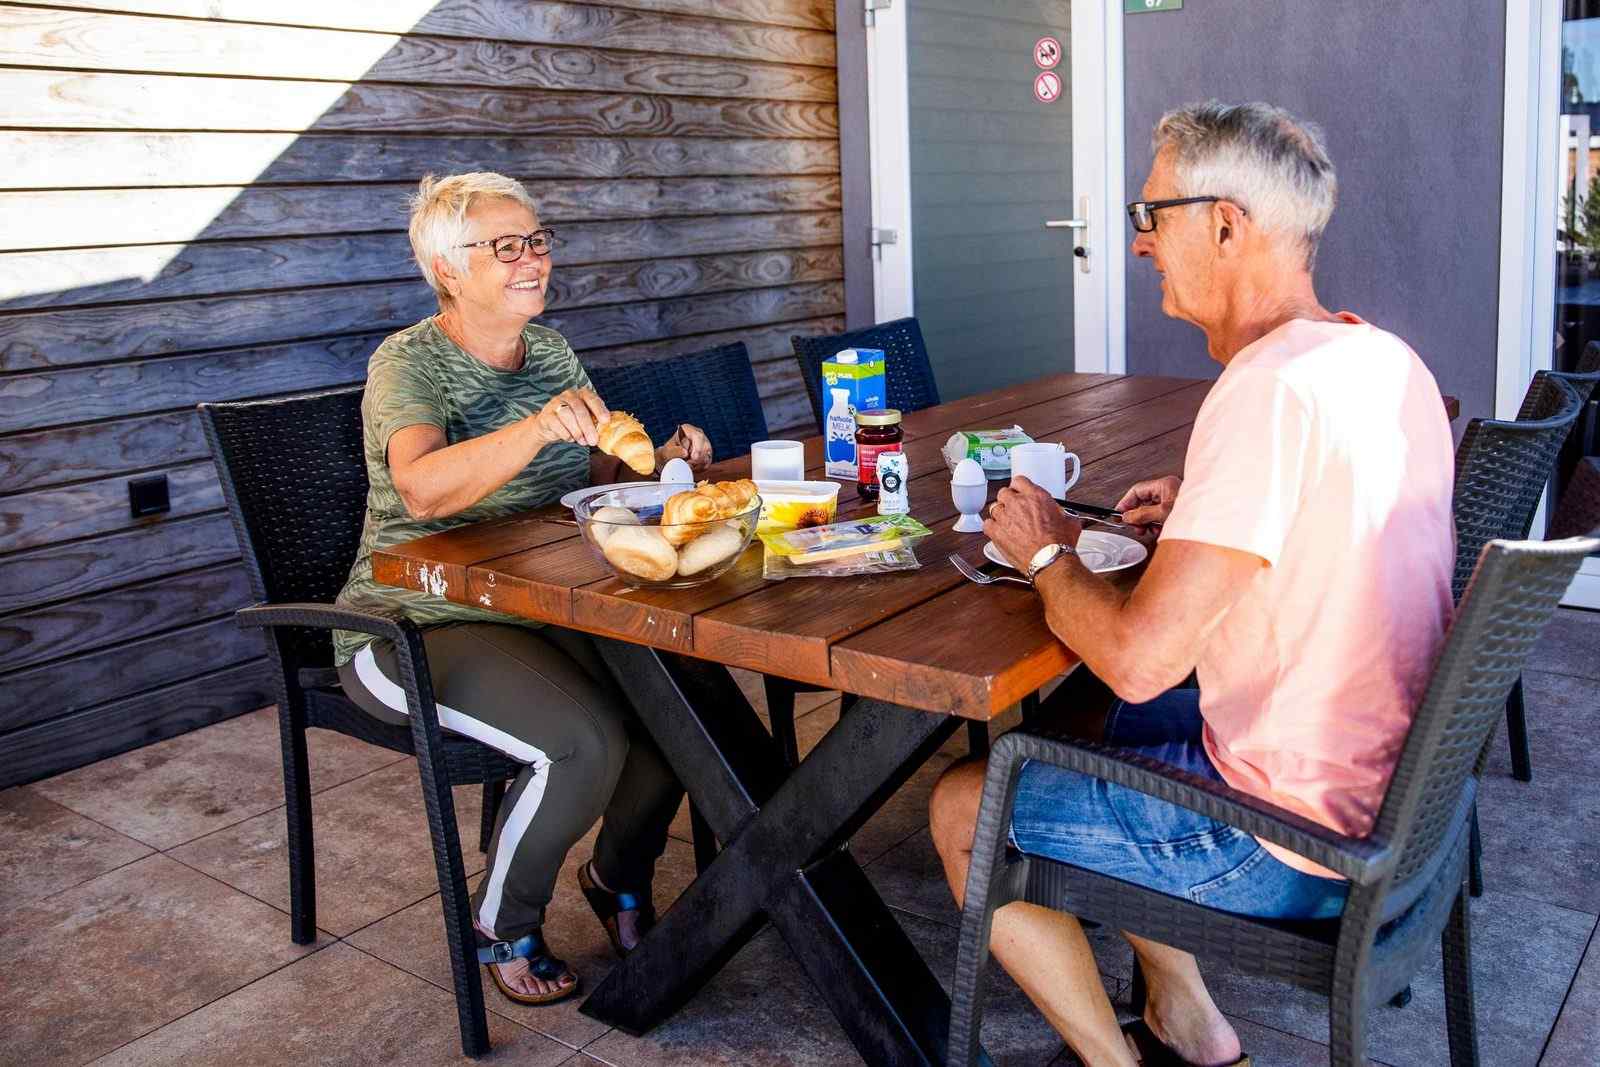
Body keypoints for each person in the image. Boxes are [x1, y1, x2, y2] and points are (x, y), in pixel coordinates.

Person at [929, 102, 1455, 1067]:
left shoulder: (1267, 390)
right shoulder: (1383, 360)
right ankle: (1189, 1023)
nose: (1139, 243)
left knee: (966, 807)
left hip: (1294, 838)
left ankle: (1113, 1060)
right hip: (1398, 805)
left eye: (1151, 212)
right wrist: (1204, 509)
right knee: (1099, 729)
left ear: (1225, 223)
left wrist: (1045, 547)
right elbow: (1326, 517)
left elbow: (1137, 658)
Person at [332, 171, 712, 1006]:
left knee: (679, 716)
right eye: (504, 246)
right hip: (408, 622)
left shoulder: (550, 352)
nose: (531, 258)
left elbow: (594, 471)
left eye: (536, 239)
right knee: (584, 742)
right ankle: (500, 923)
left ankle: (615, 878)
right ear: (448, 271)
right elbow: (423, 489)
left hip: (528, 602)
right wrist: (536, 422)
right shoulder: (407, 362)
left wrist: (668, 460)